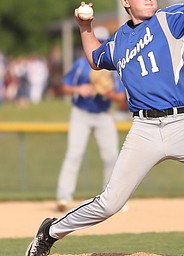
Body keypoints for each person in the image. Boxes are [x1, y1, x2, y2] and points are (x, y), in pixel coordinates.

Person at [26, 1, 184, 256]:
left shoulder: (168, 19)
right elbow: (96, 58)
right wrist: (86, 27)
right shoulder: (118, 42)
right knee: (110, 203)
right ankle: (49, 232)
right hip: (144, 130)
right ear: (126, 2)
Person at [55, 26, 127, 212]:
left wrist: (108, 92)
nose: (100, 44)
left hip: (103, 115)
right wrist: (78, 90)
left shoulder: (112, 67)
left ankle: (113, 200)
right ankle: (63, 198)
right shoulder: (81, 64)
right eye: (98, 40)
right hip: (81, 114)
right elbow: (64, 87)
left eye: (103, 41)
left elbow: (121, 100)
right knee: (74, 154)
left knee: (111, 156)